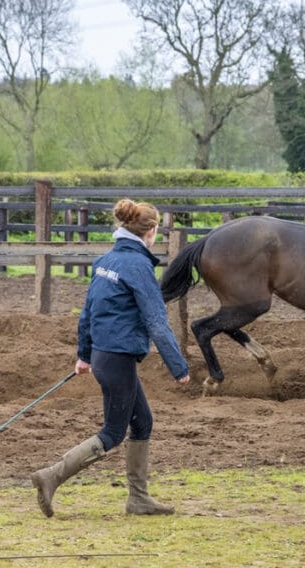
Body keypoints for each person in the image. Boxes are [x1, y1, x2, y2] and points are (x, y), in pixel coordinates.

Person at [31, 198, 190, 518]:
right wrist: (179, 367)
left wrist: (84, 355)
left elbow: (88, 313)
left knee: (143, 422)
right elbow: (156, 320)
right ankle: (51, 476)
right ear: (152, 230)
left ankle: (139, 499)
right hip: (117, 359)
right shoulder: (138, 266)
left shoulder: (106, 260)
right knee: (113, 433)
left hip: (106, 357)